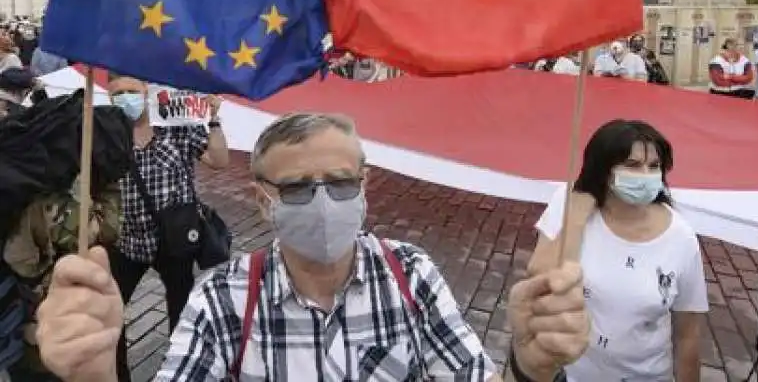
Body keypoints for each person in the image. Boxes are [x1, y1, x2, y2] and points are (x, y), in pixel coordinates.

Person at [35, 112, 590, 382]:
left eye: (342, 182)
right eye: (299, 187)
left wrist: (529, 367)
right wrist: (96, 376)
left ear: (365, 185)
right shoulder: (223, 301)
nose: (325, 202)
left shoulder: (411, 276)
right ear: (261, 200)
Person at [531, 119, 708, 381]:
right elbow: (539, 278)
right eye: (633, 166)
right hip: (567, 372)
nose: (646, 175)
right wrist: (577, 217)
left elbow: (688, 333)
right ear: (604, 170)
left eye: (654, 166)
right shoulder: (569, 200)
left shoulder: (681, 238)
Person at [105, 76, 229, 382]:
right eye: (118, 93)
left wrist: (213, 119)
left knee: (182, 313)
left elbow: (219, 160)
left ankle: (182, 371)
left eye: (131, 91)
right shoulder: (108, 133)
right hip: (128, 241)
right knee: (109, 312)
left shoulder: (177, 126)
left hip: (175, 240)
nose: (125, 98)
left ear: (147, 91)